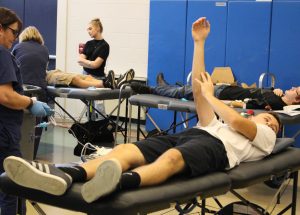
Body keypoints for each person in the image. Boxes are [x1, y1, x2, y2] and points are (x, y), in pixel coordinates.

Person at [4, 17, 280, 205]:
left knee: (173, 158)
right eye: (266, 116)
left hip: (217, 150)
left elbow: (237, 120)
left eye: (272, 121)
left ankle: (121, 183)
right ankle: (67, 174)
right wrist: (199, 43)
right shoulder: (216, 123)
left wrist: (213, 96)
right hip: (197, 133)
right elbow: (198, 91)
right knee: (125, 151)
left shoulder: (264, 138)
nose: (267, 120)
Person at [0, 7, 53, 215]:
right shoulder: (2, 53)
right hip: (4, 132)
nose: (15, 37)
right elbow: (5, 95)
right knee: (12, 184)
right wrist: (30, 103)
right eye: (13, 32)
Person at [131, 74, 300, 111]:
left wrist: (213, 100)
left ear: (296, 100)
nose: (292, 88)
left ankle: (150, 88)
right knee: (183, 90)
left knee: (181, 91)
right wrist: (273, 89)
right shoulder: (277, 95)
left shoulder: (277, 103)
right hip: (226, 89)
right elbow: (259, 94)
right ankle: (165, 87)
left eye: (295, 90)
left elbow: (248, 103)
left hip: (220, 94)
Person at [12, 26, 49, 159]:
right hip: (40, 90)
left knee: (19, 123)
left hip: (22, 89)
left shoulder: (17, 47)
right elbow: (44, 71)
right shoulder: (44, 49)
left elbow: (13, 68)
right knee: (37, 124)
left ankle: (19, 154)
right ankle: (32, 153)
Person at [46, 69, 135, 89]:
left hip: (52, 72)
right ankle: (107, 83)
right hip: (46, 77)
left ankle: (115, 82)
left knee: (87, 77)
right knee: (74, 79)